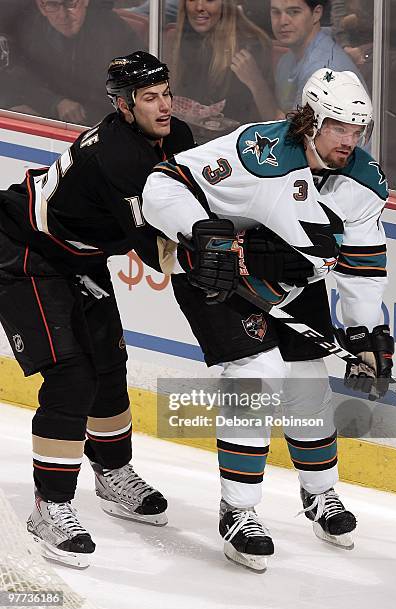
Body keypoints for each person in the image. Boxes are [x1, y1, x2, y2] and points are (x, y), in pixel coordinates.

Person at [142, 69, 394, 572]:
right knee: (258, 374)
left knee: (306, 379)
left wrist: (368, 333)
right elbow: (162, 183)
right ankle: (238, 511)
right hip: (214, 272)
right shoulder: (257, 152)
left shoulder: (363, 181)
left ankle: (321, 495)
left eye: (358, 130)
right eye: (340, 126)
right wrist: (198, 231)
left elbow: (363, 266)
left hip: (289, 275)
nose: (350, 140)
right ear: (312, 120)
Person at [0, 51, 194, 568]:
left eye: (166, 93)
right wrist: (214, 257)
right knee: (71, 376)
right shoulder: (116, 156)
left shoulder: (178, 138)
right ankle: (51, 504)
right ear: (123, 106)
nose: (163, 106)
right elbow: (155, 252)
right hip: (27, 250)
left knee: (109, 367)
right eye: (149, 98)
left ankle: (111, 473)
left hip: (77, 255)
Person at [12, 0, 145, 124]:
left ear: (85, 1)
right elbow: (19, 78)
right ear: (41, 7)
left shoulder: (116, 33)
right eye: (52, 5)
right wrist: (54, 103)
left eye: (70, 3)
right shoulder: (29, 29)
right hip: (49, 123)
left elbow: (140, 89)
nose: (63, 15)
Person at [167, 0, 277, 142]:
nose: (199, 7)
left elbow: (262, 120)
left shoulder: (251, 44)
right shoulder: (181, 38)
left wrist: (255, 81)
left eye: (209, 0)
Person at [270, 0, 364, 113]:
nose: (283, 21)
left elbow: (294, 129)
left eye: (294, 12)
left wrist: (256, 84)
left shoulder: (321, 71)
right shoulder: (288, 58)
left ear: (316, 13)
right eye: (276, 12)